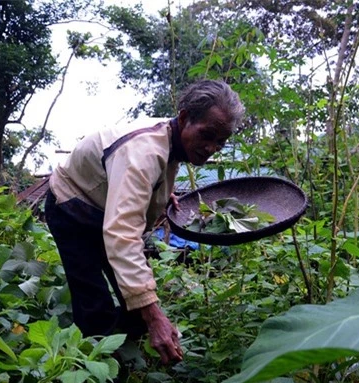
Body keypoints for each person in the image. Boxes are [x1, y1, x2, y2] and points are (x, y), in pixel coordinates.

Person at [44, 80, 245, 365]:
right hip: (71, 205)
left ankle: (125, 354)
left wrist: (161, 193)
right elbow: (122, 234)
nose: (212, 147)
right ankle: (97, 381)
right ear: (185, 118)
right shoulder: (143, 153)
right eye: (207, 135)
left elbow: (141, 180)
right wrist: (156, 317)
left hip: (101, 207)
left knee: (134, 301)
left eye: (220, 142)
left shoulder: (171, 142)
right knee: (94, 303)